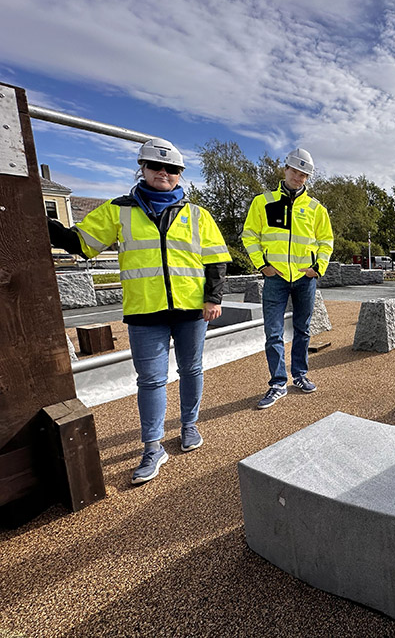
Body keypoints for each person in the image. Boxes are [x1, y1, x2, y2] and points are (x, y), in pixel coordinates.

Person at [48, 138, 231, 484]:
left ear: (180, 175)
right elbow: (80, 242)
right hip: (145, 311)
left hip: (191, 308)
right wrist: (37, 219)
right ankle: (153, 446)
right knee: (150, 380)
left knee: (191, 369)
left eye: (172, 169)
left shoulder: (197, 214)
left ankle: (189, 425)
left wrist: (214, 298)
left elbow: (217, 260)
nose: (164, 173)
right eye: (155, 166)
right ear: (142, 169)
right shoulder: (119, 210)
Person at [242, 148, 334, 409]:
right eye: (295, 171)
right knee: (273, 333)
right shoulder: (263, 201)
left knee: (303, 330)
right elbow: (249, 235)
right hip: (276, 278)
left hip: (306, 278)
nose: (299, 177)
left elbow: (326, 240)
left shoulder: (316, 208)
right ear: (285, 170)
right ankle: (277, 383)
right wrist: (263, 266)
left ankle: (300, 375)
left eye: (304, 174)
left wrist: (318, 267)